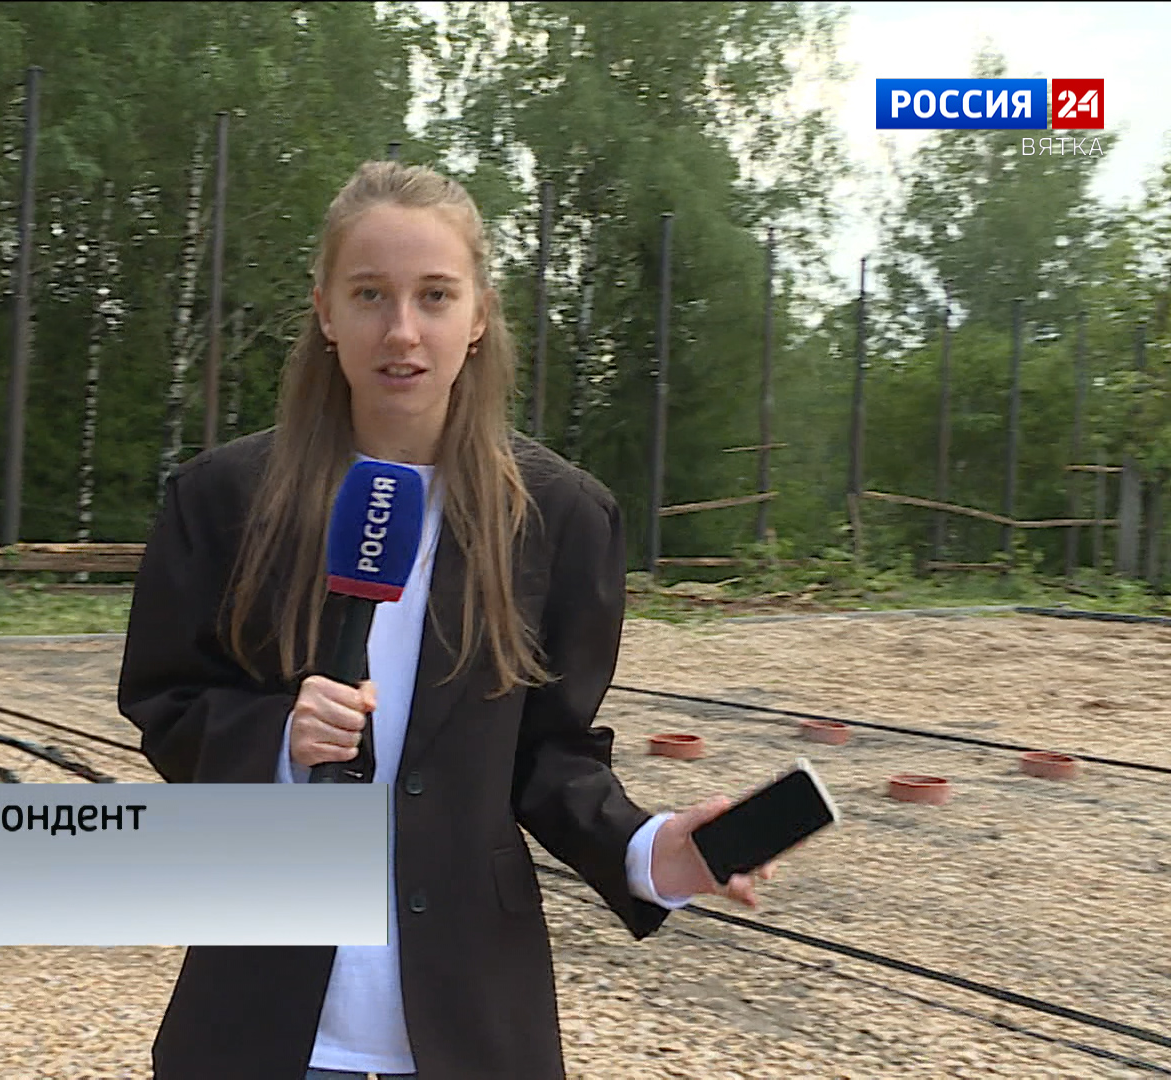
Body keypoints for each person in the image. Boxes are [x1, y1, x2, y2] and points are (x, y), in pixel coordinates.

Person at [117, 160, 774, 1080]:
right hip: (258, 1019)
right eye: (369, 295)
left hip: (471, 1027)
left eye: (434, 295)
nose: (401, 331)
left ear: (478, 317)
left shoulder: (561, 516)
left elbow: (548, 753)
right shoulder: (223, 499)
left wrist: (648, 850)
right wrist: (276, 738)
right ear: (324, 312)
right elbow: (164, 703)